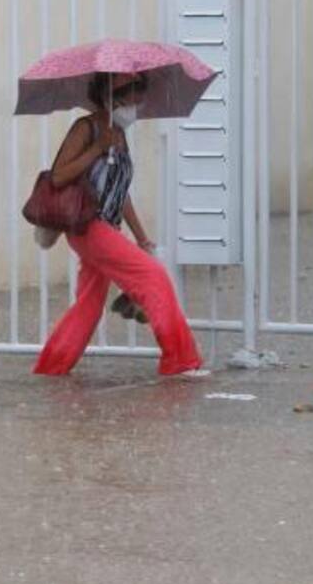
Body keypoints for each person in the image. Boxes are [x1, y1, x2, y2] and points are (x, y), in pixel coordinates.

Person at [32, 72, 208, 377]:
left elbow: (119, 192)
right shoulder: (86, 128)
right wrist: (97, 148)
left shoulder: (119, 133)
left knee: (89, 303)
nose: (138, 97)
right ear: (107, 95)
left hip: (106, 226)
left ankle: (52, 365)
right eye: (131, 89)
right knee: (153, 277)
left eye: (141, 88)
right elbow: (59, 176)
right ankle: (180, 360)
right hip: (88, 226)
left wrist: (141, 237)